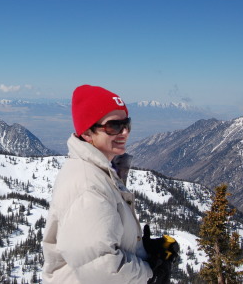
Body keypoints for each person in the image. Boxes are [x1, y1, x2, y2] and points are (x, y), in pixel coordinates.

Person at [43, 84, 174, 283]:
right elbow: (102, 268)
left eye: (126, 123)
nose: (124, 132)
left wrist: (143, 251)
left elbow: (99, 247)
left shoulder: (101, 173)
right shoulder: (88, 186)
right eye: (113, 126)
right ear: (87, 133)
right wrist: (150, 271)